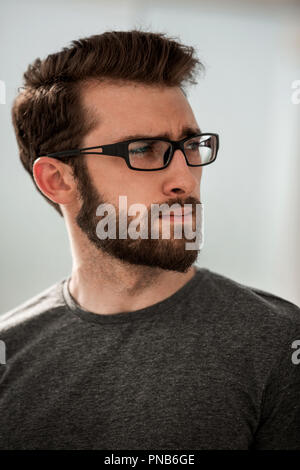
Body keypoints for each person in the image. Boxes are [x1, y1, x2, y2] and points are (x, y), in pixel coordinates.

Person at [0, 29, 299, 451]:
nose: (184, 178)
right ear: (58, 180)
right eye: (143, 149)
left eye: (191, 145)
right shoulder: (9, 350)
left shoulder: (280, 344)